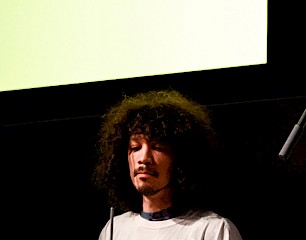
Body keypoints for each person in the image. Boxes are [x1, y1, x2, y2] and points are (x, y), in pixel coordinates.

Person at [93, 89, 243, 240]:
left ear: (181, 157)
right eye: (135, 148)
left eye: (157, 148)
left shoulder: (212, 230)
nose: (144, 158)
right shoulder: (113, 230)